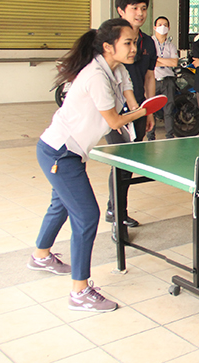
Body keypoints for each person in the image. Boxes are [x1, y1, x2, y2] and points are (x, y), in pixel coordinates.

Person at [29, 18, 150, 312]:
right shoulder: (96, 75)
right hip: (59, 153)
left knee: (60, 205)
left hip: (67, 152)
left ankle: (40, 255)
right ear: (108, 46)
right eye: (128, 43)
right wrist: (143, 112)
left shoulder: (115, 68)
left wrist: (140, 108)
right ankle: (79, 291)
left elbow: (128, 93)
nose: (134, 48)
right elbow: (114, 121)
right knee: (86, 216)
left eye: (134, 42)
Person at [104, 0, 156, 228]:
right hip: (113, 112)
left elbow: (148, 77)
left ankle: (115, 209)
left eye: (143, 8)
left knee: (129, 162)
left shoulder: (148, 43)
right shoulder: (108, 41)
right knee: (122, 159)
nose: (139, 13)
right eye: (134, 8)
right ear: (120, 10)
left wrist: (149, 109)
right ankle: (117, 211)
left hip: (137, 110)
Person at [148, 16, 178, 140]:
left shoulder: (171, 45)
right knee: (150, 109)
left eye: (165, 25)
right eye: (160, 24)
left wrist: (156, 60)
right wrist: (164, 61)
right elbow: (148, 61)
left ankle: (169, 135)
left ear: (169, 28)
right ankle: (150, 136)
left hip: (167, 80)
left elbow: (174, 63)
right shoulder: (149, 43)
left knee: (169, 109)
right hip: (152, 80)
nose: (162, 27)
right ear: (155, 27)